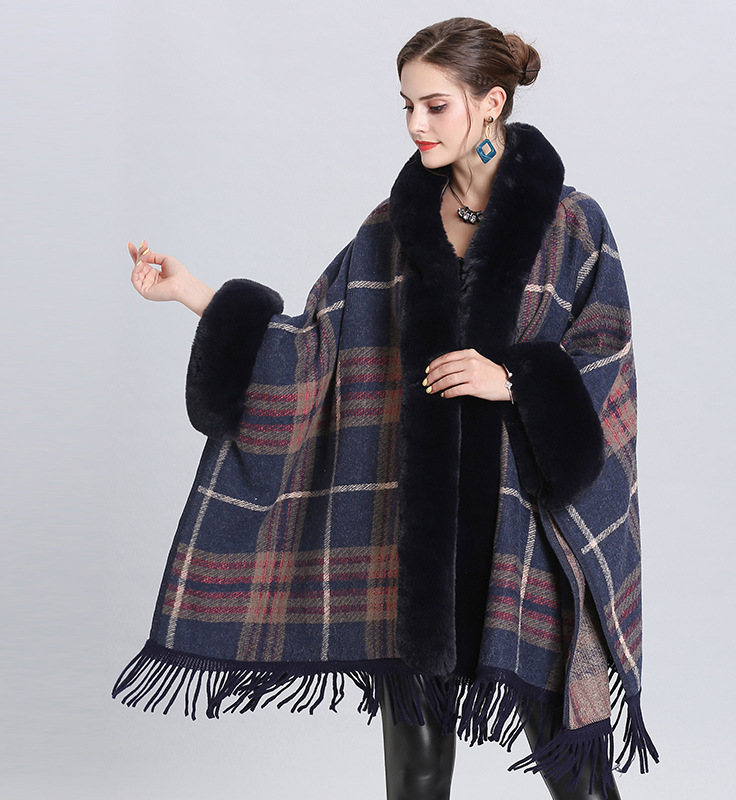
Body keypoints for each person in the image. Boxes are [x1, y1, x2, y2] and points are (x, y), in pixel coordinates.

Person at [115, 17, 657, 800]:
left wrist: (515, 381)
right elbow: (313, 346)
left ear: (491, 102)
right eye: (406, 105)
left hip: (525, 542)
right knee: (414, 784)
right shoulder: (392, 229)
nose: (415, 125)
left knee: (580, 779)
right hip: (414, 558)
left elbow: (607, 361)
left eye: (435, 106)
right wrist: (192, 293)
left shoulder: (573, 225)